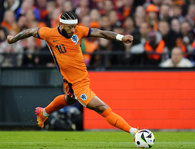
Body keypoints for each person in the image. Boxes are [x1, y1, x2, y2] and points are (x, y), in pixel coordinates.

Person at [7, 11, 138, 136]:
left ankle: (44, 113)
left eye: (74, 27)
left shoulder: (78, 31)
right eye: (70, 27)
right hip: (75, 84)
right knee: (102, 108)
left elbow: (101, 33)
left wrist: (121, 37)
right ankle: (135, 132)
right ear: (61, 24)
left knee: (68, 100)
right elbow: (30, 31)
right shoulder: (49, 34)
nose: (72, 30)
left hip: (83, 79)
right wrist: (13, 39)